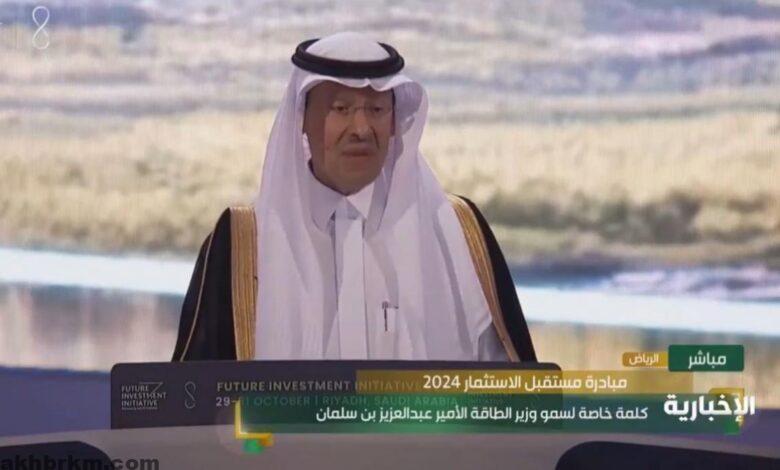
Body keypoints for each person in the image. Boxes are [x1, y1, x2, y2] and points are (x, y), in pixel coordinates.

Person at [172, 31, 536, 362]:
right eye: (340, 109)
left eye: (376, 110)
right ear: (302, 119)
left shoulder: (457, 232)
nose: (361, 129)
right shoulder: (242, 245)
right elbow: (192, 399)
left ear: (394, 122)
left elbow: (516, 393)